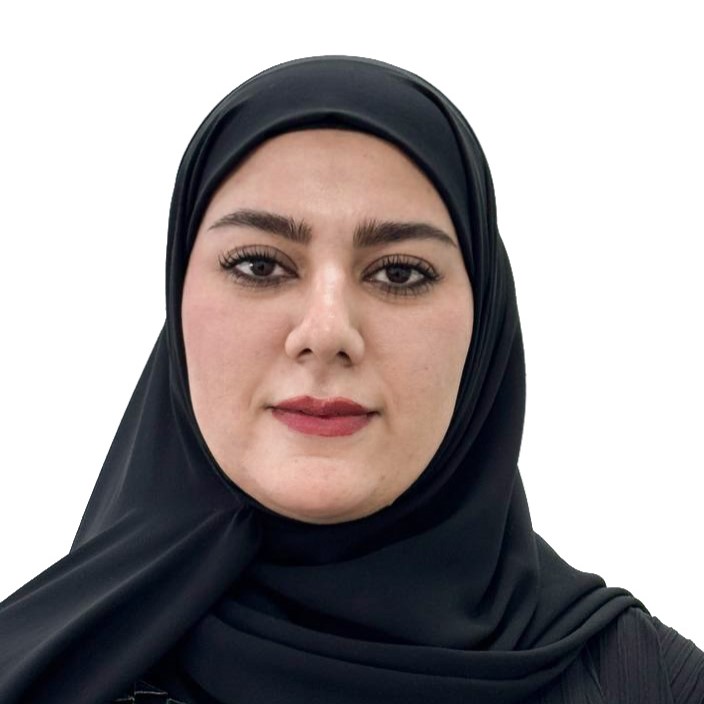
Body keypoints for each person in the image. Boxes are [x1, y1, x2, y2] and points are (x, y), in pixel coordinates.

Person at [0, 56, 701, 704]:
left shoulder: (651, 686)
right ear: (177, 306)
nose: (327, 331)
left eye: (399, 273)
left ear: (485, 325)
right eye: (259, 265)